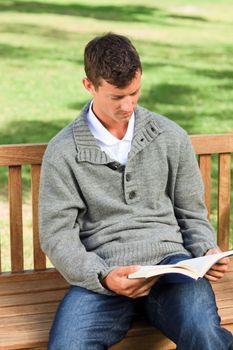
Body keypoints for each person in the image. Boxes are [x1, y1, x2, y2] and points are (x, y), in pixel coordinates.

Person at [39, 33, 233, 350]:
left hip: (172, 266)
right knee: (68, 345)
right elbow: (57, 235)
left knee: (204, 333)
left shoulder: (170, 136)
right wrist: (102, 276)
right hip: (105, 272)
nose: (128, 105)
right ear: (89, 85)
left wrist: (206, 252)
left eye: (134, 93)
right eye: (117, 97)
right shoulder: (63, 152)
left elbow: (192, 215)